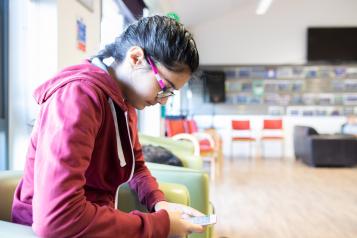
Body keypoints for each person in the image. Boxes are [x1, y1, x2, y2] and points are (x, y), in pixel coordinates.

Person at [11, 15, 204, 238]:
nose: (163, 101)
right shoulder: (78, 96)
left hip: (92, 223)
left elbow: (136, 166)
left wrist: (159, 203)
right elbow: (58, 219)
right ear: (135, 58)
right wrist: (159, 225)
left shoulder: (125, 100)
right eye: (164, 87)